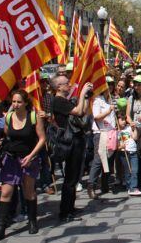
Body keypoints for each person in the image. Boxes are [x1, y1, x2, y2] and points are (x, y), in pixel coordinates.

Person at [0, 90, 47, 240]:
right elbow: (8, 134)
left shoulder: (34, 117)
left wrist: (31, 155)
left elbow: (42, 139)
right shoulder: (9, 117)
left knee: (29, 191)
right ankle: (1, 227)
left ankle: (32, 221)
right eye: (13, 102)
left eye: (19, 102)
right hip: (11, 159)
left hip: (29, 159)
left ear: (26, 103)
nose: (15, 105)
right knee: (6, 192)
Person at [50, 75, 91, 222]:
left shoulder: (64, 100)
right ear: (59, 87)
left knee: (74, 177)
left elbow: (83, 111)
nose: (69, 85)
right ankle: (65, 212)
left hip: (77, 140)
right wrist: (81, 93)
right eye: (66, 83)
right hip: (70, 142)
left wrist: (85, 97)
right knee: (70, 177)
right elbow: (78, 112)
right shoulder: (58, 101)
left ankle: (70, 207)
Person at [87, 81, 117, 199]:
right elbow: (96, 116)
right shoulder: (97, 100)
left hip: (111, 132)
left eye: (111, 84)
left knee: (109, 159)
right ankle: (91, 186)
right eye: (107, 84)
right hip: (101, 133)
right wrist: (108, 111)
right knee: (99, 159)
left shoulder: (111, 99)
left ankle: (105, 184)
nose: (109, 86)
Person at [117, 115, 141, 196]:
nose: (124, 121)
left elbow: (135, 137)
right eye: (121, 120)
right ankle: (129, 187)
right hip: (124, 152)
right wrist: (120, 146)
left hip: (133, 151)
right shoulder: (116, 131)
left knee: (135, 170)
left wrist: (134, 129)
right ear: (117, 121)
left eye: (124, 120)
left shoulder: (129, 128)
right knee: (128, 171)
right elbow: (116, 145)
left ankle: (133, 187)